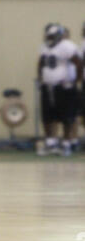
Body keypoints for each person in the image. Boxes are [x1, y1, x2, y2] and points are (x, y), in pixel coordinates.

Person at [38, 24, 82, 156]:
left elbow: (78, 62)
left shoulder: (66, 46)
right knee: (47, 115)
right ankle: (50, 143)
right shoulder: (44, 46)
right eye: (48, 36)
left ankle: (66, 143)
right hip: (48, 86)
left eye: (52, 36)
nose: (50, 38)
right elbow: (41, 62)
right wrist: (41, 77)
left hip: (63, 87)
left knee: (66, 116)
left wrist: (75, 80)